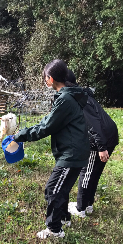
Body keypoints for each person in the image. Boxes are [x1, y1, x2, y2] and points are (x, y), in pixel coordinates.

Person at [14, 59, 90, 239]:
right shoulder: (67, 96)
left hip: (72, 153)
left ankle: (54, 229)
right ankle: (63, 218)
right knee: (61, 188)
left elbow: (46, 127)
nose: (45, 81)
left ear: (51, 78)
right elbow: (49, 120)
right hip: (74, 151)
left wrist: (20, 135)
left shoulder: (65, 98)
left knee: (52, 189)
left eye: (45, 77)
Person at [65, 70, 119, 217]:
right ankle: (88, 204)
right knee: (94, 172)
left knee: (86, 172)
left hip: (99, 140)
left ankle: (80, 208)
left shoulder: (77, 97)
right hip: (110, 134)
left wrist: (101, 147)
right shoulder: (83, 93)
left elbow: (92, 123)